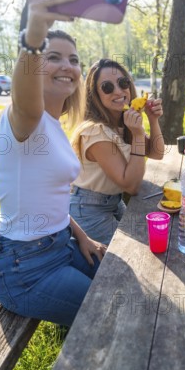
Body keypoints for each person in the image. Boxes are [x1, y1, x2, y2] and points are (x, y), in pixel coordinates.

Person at [0, 0, 106, 327]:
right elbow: (24, 101)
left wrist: (81, 236)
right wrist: (34, 33)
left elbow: (51, 200)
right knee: (106, 317)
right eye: (52, 57)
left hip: (62, 245)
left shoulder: (55, 127)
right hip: (24, 270)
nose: (67, 66)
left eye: (73, 60)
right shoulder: (25, 119)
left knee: (121, 279)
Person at [70, 59, 164, 245]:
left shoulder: (123, 122)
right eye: (107, 87)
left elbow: (156, 153)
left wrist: (153, 120)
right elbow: (131, 186)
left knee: (152, 235)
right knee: (132, 251)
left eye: (123, 83)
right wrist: (137, 136)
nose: (119, 91)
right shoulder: (94, 131)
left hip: (112, 202)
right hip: (88, 209)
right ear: (95, 95)